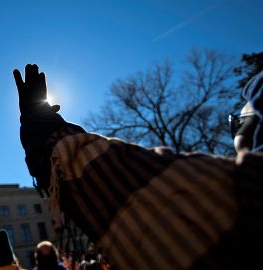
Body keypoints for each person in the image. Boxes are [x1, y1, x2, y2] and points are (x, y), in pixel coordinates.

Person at [13, 64, 263, 269]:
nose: (236, 130)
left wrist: (41, 125)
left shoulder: (246, 189)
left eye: (240, 121)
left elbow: (119, 183)